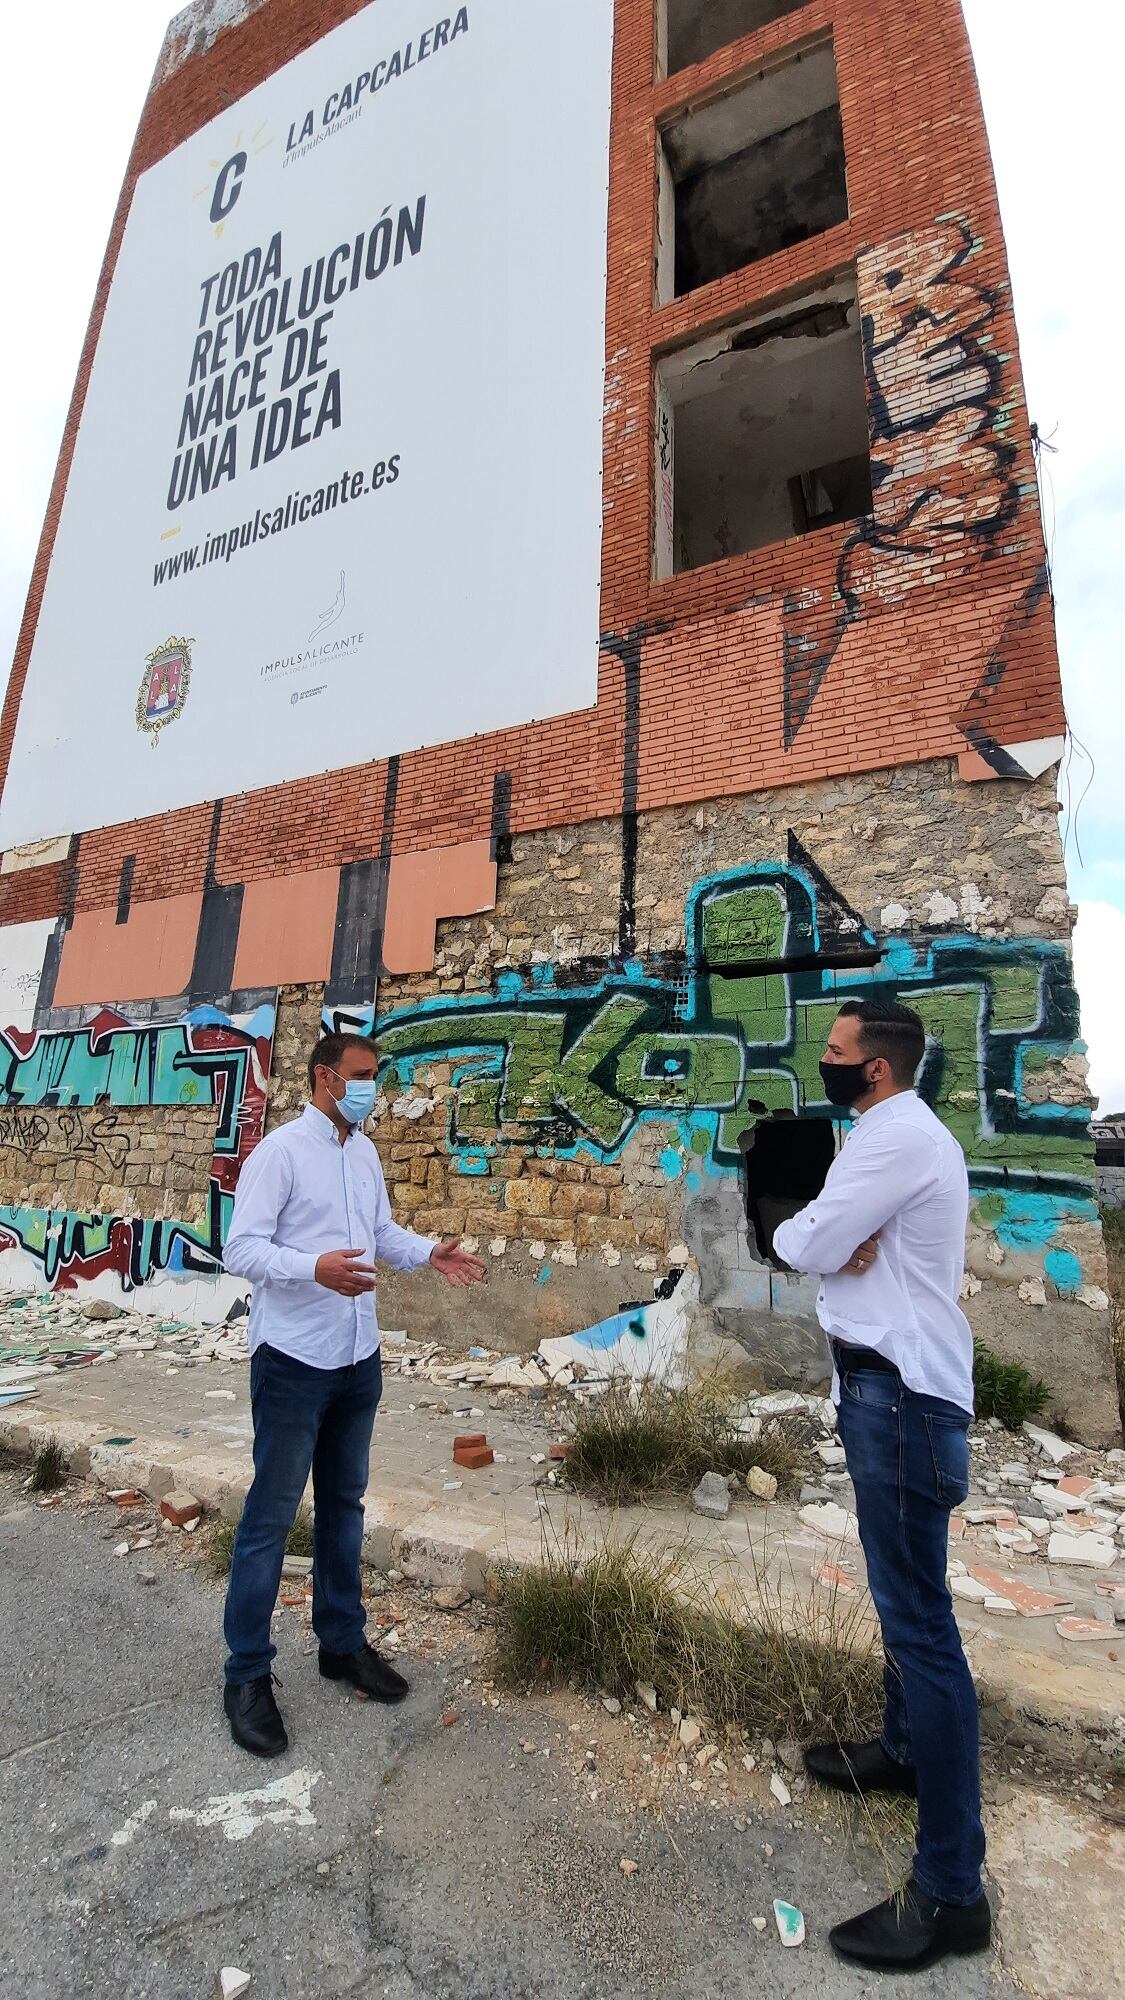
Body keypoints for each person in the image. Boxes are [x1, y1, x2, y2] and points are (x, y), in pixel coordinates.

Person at [772, 998, 990, 1973]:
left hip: (899, 1403)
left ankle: (951, 1892)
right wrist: (828, 1238)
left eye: (834, 1052)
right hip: (896, 1396)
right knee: (911, 1604)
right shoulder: (898, 1134)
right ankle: (903, 1753)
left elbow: (805, 1241)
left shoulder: (891, 1135)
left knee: (922, 1632)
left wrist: (816, 1236)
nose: (822, 1061)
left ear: (876, 1068)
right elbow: (829, 1242)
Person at [220, 1030, 486, 1757]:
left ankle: (341, 1644)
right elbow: (238, 1248)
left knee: (343, 1508)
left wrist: (429, 1253)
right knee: (270, 1521)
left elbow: (378, 1235)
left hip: (356, 1358)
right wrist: (314, 1269)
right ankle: (246, 1674)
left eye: (377, 1076)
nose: (373, 1088)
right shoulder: (279, 1153)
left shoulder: (363, 1154)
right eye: (362, 1076)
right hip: (292, 1363)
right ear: (324, 1079)